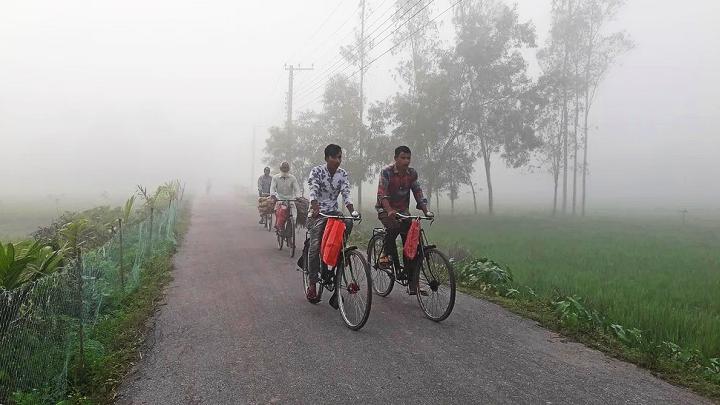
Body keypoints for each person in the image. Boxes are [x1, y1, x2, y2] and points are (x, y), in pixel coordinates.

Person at [376, 145, 433, 295]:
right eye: (403, 158)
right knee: (394, 228)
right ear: (395, 158)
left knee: (413, 243)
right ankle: (386, 255)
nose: (406, 161)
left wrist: (426, 210)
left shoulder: (412, 173)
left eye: (408, 158)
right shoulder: (386, 172)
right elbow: (382, 194)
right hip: (385, 209)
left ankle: (412, 282)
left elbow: (418, 192)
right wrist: (389, 210)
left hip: (404, 212)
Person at [306, 144, 360, 301]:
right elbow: (313, 191)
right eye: (335, 157)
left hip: (334, 213)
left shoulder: (342, 174)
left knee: (347, 223)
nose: (338, 160)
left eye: (340, 157)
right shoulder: (316, 171)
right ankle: (312, 284)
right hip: (318, 213)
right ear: (327, 158)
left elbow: (346, 193)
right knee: (315, 248)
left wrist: (352, 211)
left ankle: (338, 256)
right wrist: (315, 206)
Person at [269, 161, 302, 229]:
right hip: (279, 198)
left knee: (293, 211)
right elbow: (272, 188)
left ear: (288, 169)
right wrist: (273, 196)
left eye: (286, 168)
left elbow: (297, 189)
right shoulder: (275, 177)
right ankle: (278, 225)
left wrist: (298, 196)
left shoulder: (293, 178)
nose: (284, 170)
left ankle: (293, 224)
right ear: (280, 169)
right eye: (283, 168)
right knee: (278, 211)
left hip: (290, 198)